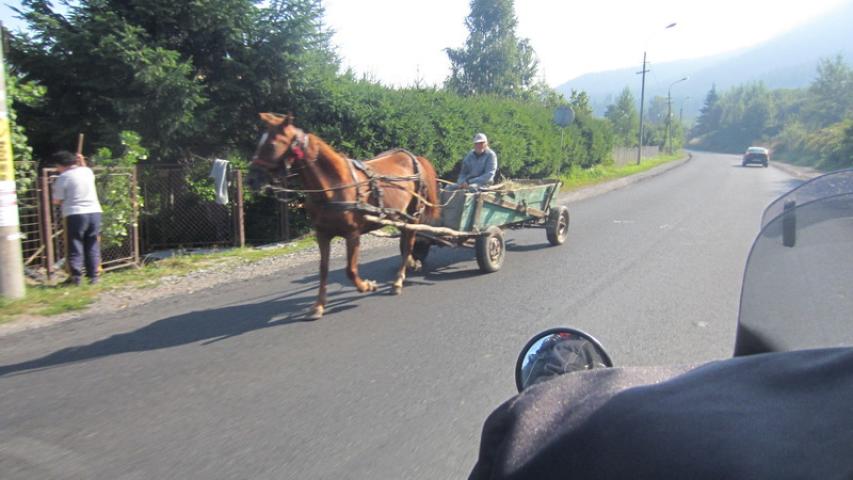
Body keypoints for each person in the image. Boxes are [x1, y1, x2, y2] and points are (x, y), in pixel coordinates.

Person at [51, 150, 103, 285]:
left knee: (75, 244)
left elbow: (56, 200)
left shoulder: (64, 177)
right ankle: (94, 276)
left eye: (57, 166)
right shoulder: (87, 172)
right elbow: (85, 169)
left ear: (60, 165)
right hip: (95, 212)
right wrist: (82, 161)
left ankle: (76, 277)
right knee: (92, 244)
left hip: (75, 214)